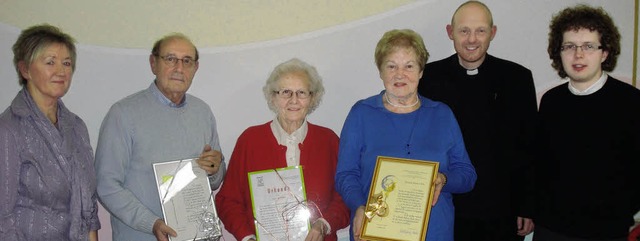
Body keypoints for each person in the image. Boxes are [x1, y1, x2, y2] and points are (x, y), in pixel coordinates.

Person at [335, 29, 477, 241]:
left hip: (434, 233)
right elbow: (345, 175)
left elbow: (467, 175)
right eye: (391, 66)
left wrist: (443, 179)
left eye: (409, 66)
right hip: (375, 230)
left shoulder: (442, 114)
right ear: (380, 71)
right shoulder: (361, 113)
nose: (399, 74)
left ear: (421, 71)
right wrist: (359, 207)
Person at [416, 1, 538, 240]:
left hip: (503, 210)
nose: (472, 39)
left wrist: (527, 206)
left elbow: (530, 146)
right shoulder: (428, 78)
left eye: (480, 31)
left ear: (492, 33)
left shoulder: (517, 79)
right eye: (464, 31)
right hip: (445, 206)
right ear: (450, 32)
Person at [95, 33, 226, 241]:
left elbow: (214, 179)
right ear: (153, 63)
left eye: (187, 61)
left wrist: (214, 169)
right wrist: (152, 223)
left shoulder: (203, 113)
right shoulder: (123, 114)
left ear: (195, 68)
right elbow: (106, 184)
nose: (179, 68)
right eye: (170, 59)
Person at [534, 4, 640, 241]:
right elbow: (541, 165)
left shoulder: (631, 102)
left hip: (605, 231)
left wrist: (619, 211)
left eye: (589, 46)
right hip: (551, 229)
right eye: (569, 46)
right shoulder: (551, 102)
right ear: (558, 52)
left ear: (605, 52)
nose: (578, 55)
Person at [215, 58, 350, 241]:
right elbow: (228, 201)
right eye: (285, 92)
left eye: (301, 93)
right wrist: (246, 237)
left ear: (312, 98)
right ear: (273, 97)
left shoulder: (329, 141)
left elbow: (344, 197)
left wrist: (324, 224)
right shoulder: (250, 140)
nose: (293, 100)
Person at [0, 24, 100, 241]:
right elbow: (2, 217)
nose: (61, 71)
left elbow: (88, 207)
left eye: (66, 63)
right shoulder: (9, 129)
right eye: (50, 62)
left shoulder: (76, 126)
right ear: (25, 69)